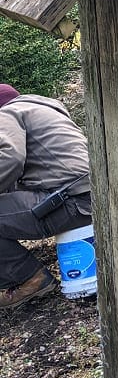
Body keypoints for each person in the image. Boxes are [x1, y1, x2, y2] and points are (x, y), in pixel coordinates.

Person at [0, 84, 91, 308]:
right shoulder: (42, 110)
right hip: (90, 196)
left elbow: (10, 158)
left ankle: (30, 279)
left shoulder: (7, 113)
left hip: (71, 201)